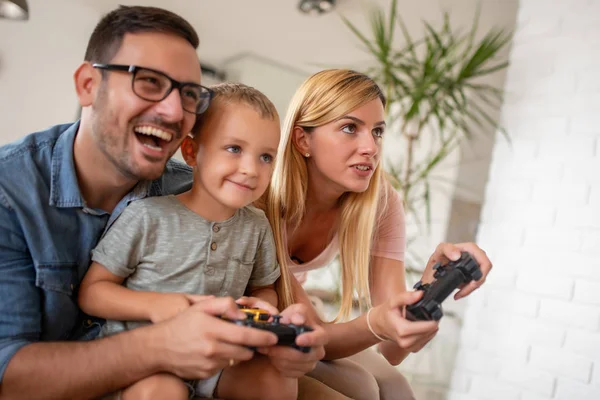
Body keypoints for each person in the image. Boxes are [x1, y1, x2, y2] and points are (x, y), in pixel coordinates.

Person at [0, 6, 330, 400]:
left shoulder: (209, 190)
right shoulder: (10, 193)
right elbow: (8, 375)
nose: (175, 111)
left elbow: (273, 292)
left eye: (189, 94)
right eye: (149, 82)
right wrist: (164, 336)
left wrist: (293, 331)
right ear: (88, 83)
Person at [260, 69, 494, 400]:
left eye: (378, 132)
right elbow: (316, 334)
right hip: (259, 309)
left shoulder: (379, 201)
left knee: (395, 386)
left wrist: (432, 283)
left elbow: (391, 348)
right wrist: (376, 324)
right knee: (363, 387)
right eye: (349, 128)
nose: (370, 147)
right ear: (302, 139)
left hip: (302, 313)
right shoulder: (260, 190)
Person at [78, 82, 297, 400]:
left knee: (274, 380)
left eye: (266, 157)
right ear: (192, 152)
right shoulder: (147, 217)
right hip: (147, 363)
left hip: (218, 360)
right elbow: (92, 293)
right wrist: (159, 306)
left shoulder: (257, 226)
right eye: (234, 149)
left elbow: (264, 286)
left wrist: (264, 305)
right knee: (162, 392)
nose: (251, 169)